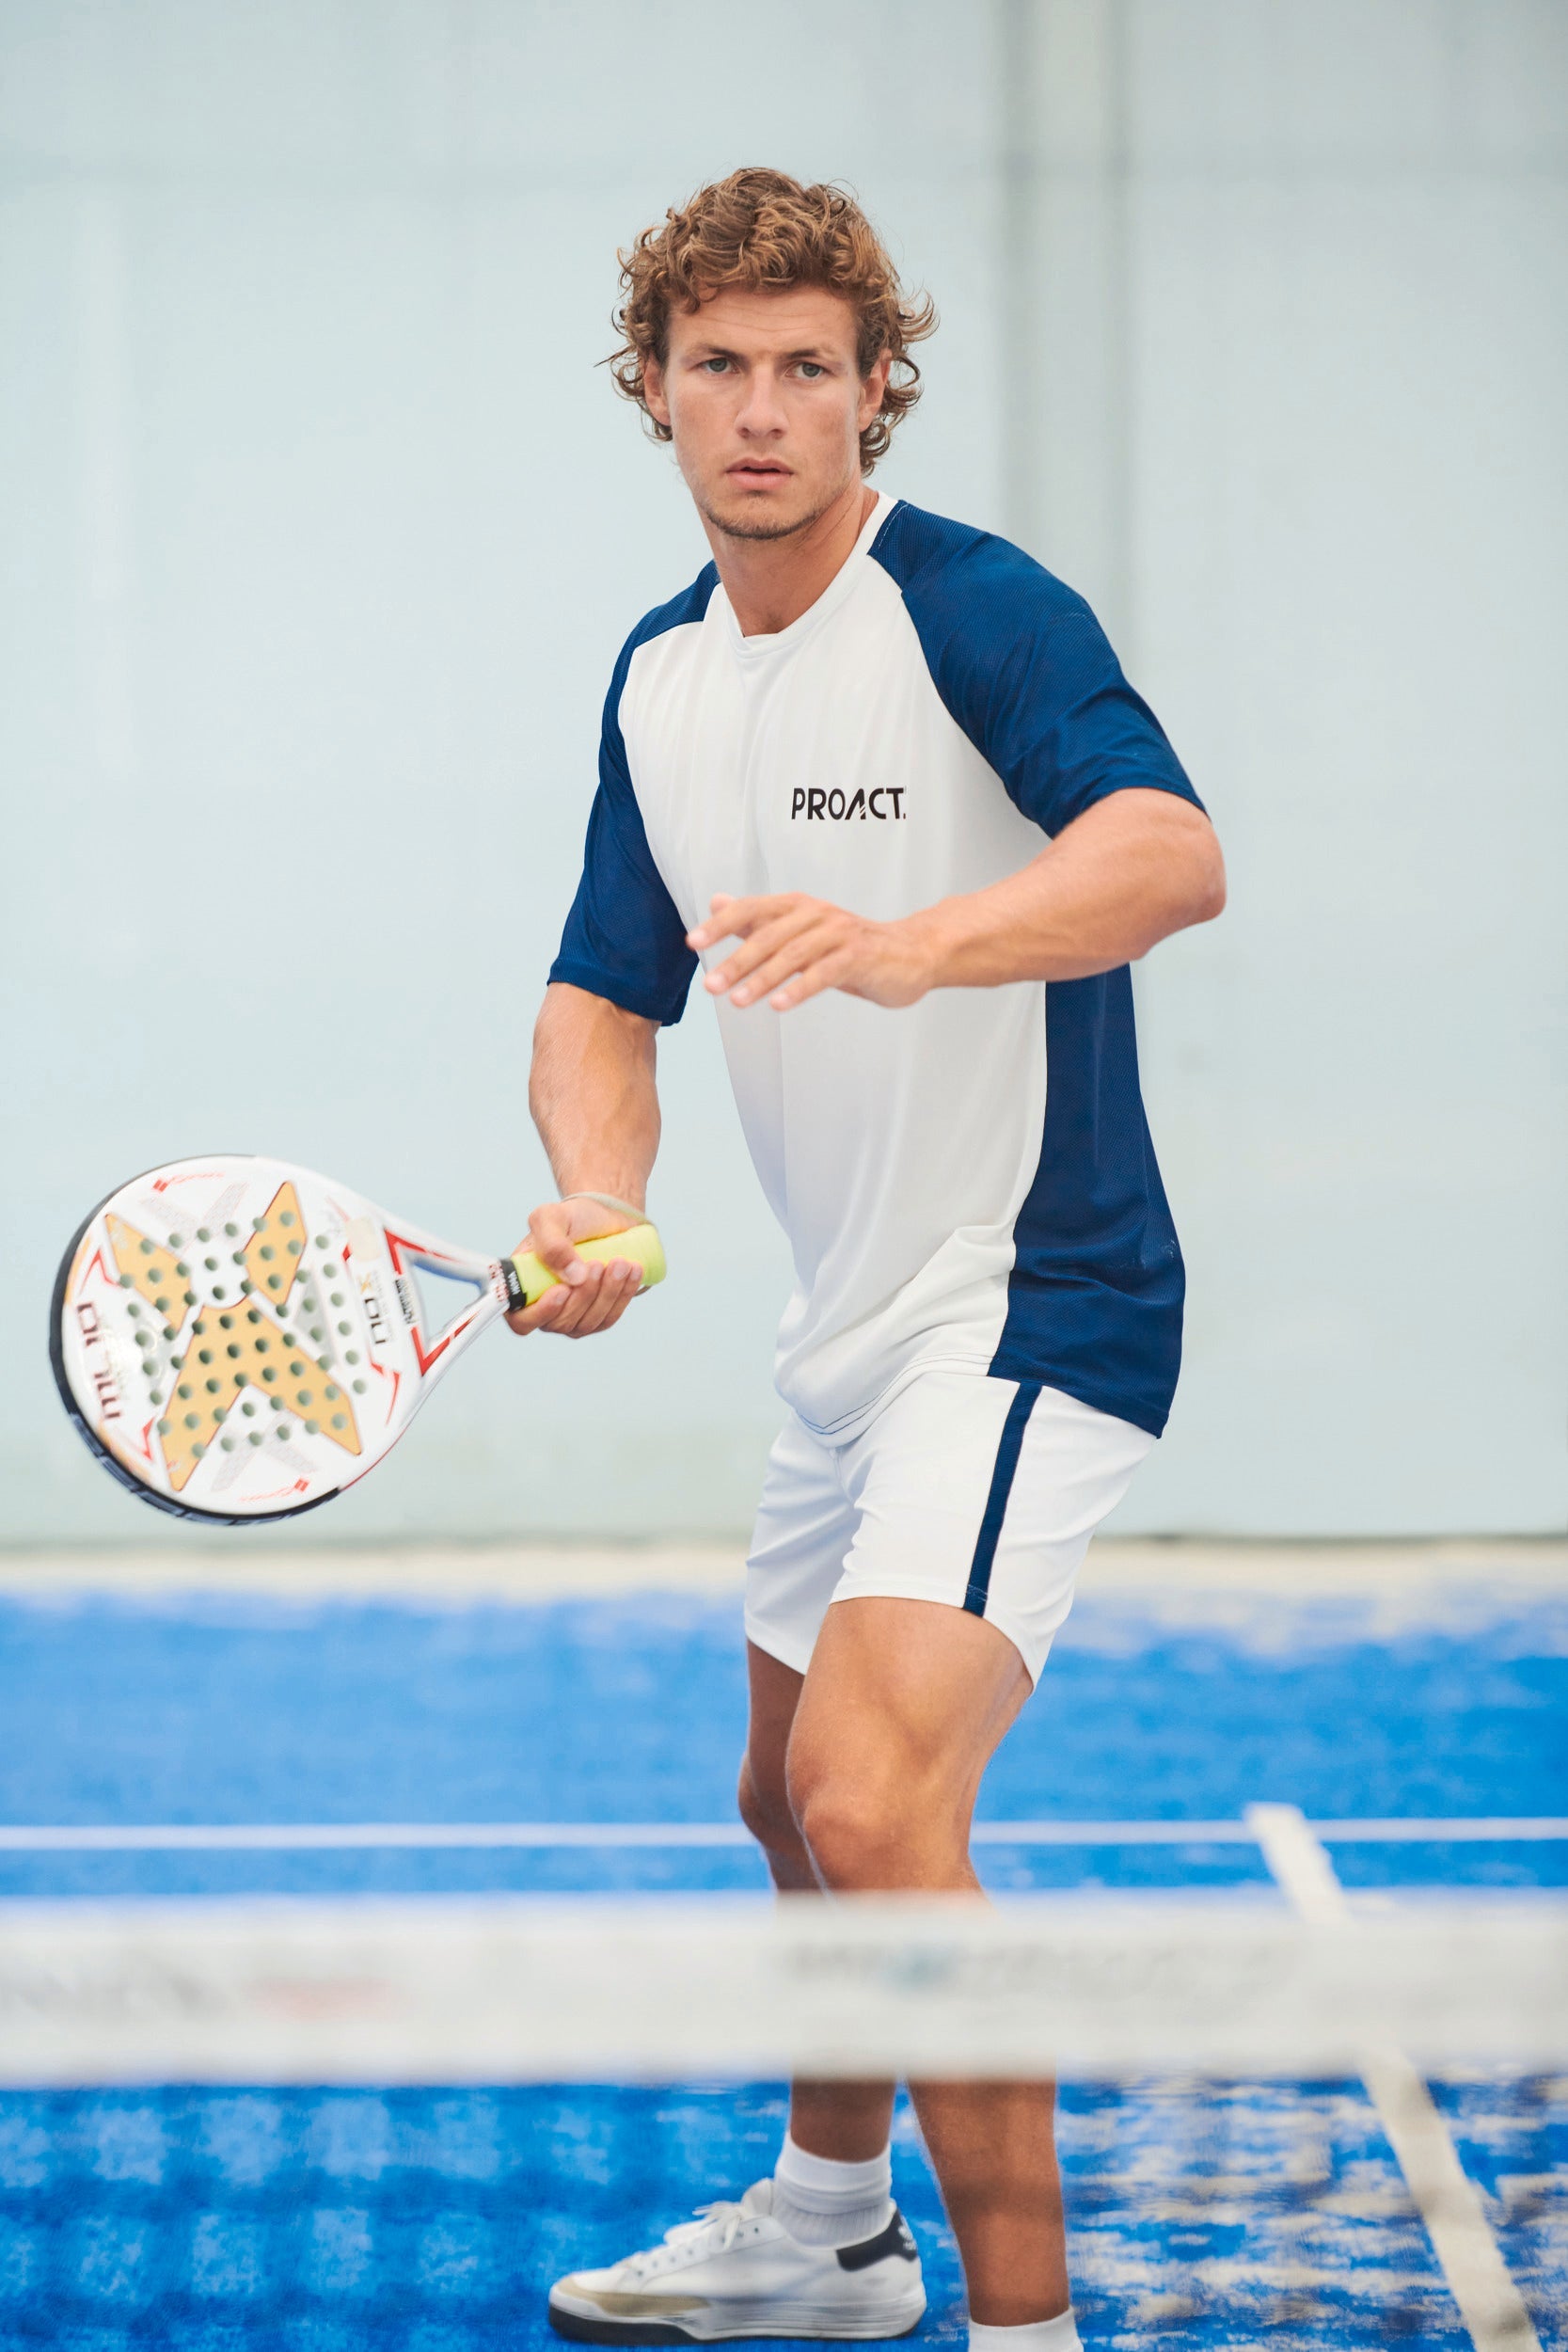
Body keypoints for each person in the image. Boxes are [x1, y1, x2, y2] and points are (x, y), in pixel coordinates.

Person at [513, 168, 1226, 2351]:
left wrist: (923, 942)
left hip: (1035, 1295)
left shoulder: (975, 613)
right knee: (783, 1794)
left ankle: (1029, 2331)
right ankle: (834, 2229)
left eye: (806, 367)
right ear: (652, 387)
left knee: (871, 1790)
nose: (761, 408)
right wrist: (599, 1194)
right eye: (718, 363)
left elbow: (1169, 851)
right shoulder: (661, 678)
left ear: (874, 388)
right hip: (847, 1322)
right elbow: (600, 991)